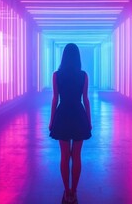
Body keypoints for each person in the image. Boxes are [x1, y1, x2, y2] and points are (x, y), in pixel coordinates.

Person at [49, 43, 92, 204]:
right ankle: (74, 192)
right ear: (78, 57)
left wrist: (51, 120)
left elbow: (55, 99)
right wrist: (89, 120)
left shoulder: (56, 75)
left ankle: (66, 192)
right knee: (77, 156)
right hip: (79, 115)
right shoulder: (83, 75)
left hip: (63, 115)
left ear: (64, 57)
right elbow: (85, 99)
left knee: (64, 156)